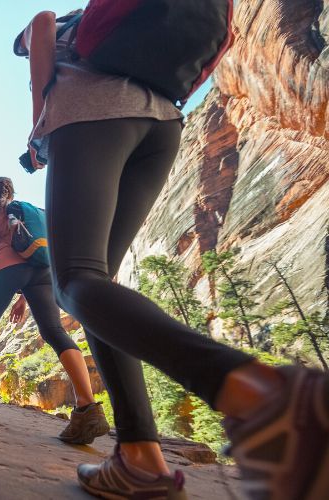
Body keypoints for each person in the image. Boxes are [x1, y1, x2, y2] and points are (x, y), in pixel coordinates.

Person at [18, 9, 329, 499]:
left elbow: (39, 23)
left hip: (93, 108)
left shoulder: (63, 28)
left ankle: (266, 397)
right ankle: (140, 459)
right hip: (162, 123)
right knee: (98, 282)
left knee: (73, 280)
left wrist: (38, 123)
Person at [0, 177, 110, 445]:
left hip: (5, 270)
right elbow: (33, 250)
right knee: (54, 330)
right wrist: (23, 299)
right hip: (42, 272)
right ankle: (88, 406)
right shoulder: (31, 210)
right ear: (12, 191)